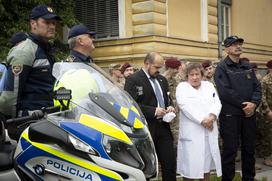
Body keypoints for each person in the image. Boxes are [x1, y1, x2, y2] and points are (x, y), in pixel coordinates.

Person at [0, 4, 60, 140]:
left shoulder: (46, 50)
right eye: (46, 22)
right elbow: (11, 96)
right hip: (29, 123)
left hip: (47, 120)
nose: (51, 26)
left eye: (53, 23)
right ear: (33, 24)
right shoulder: (25, 51)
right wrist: (13, 127)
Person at [214, 36, 261, 181]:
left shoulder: (247, 65)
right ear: (227, 49)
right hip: (231, 116)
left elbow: (257, 87)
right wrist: (244, 105)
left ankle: (249, 178)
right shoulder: (222, 67)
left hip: (249, 115)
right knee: (230, 150)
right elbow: (225, 92)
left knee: (249, 149)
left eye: (239, 44)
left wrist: (253, 103)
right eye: (234, 44)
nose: (238, 46)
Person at [124, 52, 176, 181]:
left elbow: (167, 99)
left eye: (161, 67)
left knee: (169, 163)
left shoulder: (162, 80)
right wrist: (153, 111)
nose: (159, 71)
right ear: (147, 64)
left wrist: (169, 106)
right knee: (146, 166)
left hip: (164, 127)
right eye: (157, 67)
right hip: (146, 128)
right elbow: (130, 105)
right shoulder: (133, 79)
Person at [176, 63, 222, 180]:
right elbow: (185, 106)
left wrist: (211, 117)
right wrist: (203, 121)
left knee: (206, 166)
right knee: (189, 167)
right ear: (187, 76)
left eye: (197, 74)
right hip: (192, 133)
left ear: (202, 75)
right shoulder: (182, 87)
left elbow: (217, 103)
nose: (195, 77)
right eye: (191, 75)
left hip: (209, 132)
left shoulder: (209, 86)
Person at [162, 57, 181, 151]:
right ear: (169, 68)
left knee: (177, 142)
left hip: (177, 117)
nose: (177, 71)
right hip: (166, 118)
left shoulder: (175, 80)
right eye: (176, 68)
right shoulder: (161, 81)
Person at [258, 60, 272, 166]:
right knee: (267, 136)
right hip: (268, 113)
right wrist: (268, 111)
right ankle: (266, 158)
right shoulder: (265, 81)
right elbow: (262, 98)